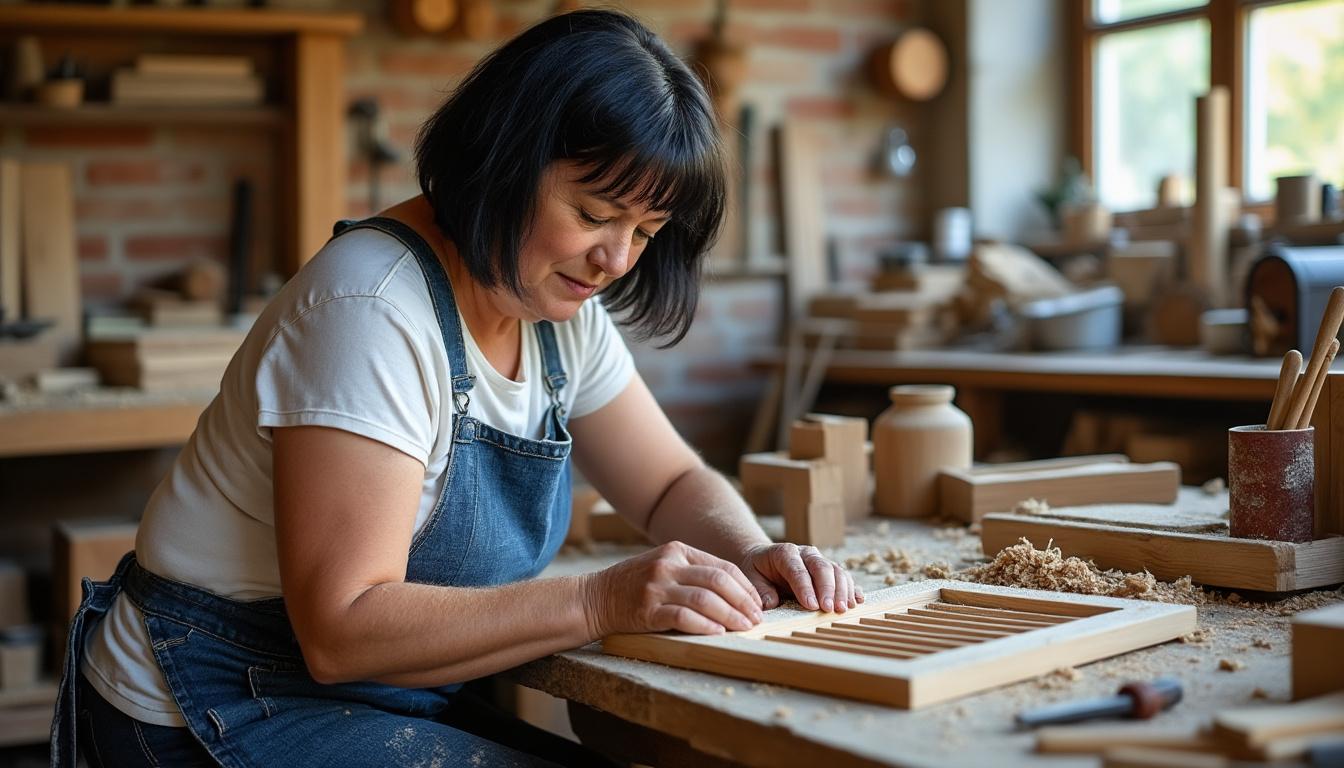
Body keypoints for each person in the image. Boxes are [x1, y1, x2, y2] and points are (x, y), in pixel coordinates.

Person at [52, 10, 861, 767]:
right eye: (593, 214)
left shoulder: (555, 305)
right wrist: (599, 601)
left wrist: (749, 550)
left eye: (645, 232)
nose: (615, 259)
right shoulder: (371, 309)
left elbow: (669, 482)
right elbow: (342, 629)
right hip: (213, 698)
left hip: (375, 689)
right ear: (505, 162)